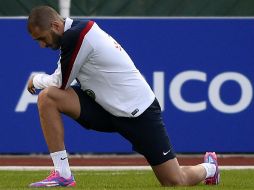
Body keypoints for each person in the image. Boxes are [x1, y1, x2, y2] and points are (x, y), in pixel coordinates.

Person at [27, 6, 220, 188]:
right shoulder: (73, 33)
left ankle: (210, 168)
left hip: (138, 112)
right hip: (104, 108)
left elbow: (60, 82)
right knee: (48, 98)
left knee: (174, 180)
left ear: (54, 26)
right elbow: (61, 83)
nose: (42, 45)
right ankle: (63, 174)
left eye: (42, 38)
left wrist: (35, 79)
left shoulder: (77, 35)